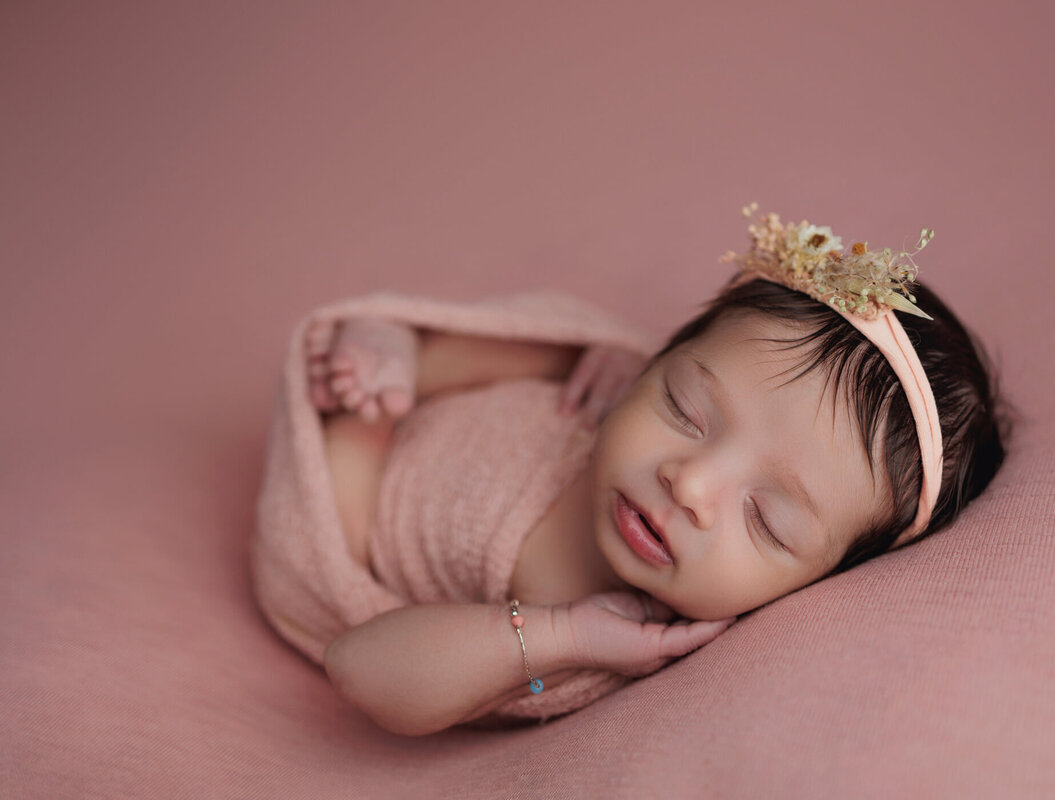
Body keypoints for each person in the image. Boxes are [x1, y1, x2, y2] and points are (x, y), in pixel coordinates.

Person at [252, 205, 1007, 736]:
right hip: (514, 406)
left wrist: (556, 635)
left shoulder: (595, 642)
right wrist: (611, 364)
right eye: (686, 407)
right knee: (588, 358)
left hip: (370, 512)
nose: (691, 481)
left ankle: (367, 411)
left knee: (346, 507)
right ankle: (417, 354)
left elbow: (363, 665)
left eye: (764, 518)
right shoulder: (631, 399)